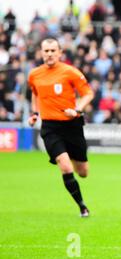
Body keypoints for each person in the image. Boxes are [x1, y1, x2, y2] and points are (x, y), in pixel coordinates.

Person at [28, 37, 94, 217]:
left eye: (52, 50)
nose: (49, 54)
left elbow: (88, 93)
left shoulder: (70, 72)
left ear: (59, 53)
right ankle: (82, 207)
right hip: (50, 127)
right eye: (46, 51)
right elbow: (35, 95)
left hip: (72, 125)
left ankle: (70, 156)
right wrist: (35, 114)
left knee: (83, 172)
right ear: (41, 52)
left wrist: (77, 109)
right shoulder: (34, 74)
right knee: (65, 166)